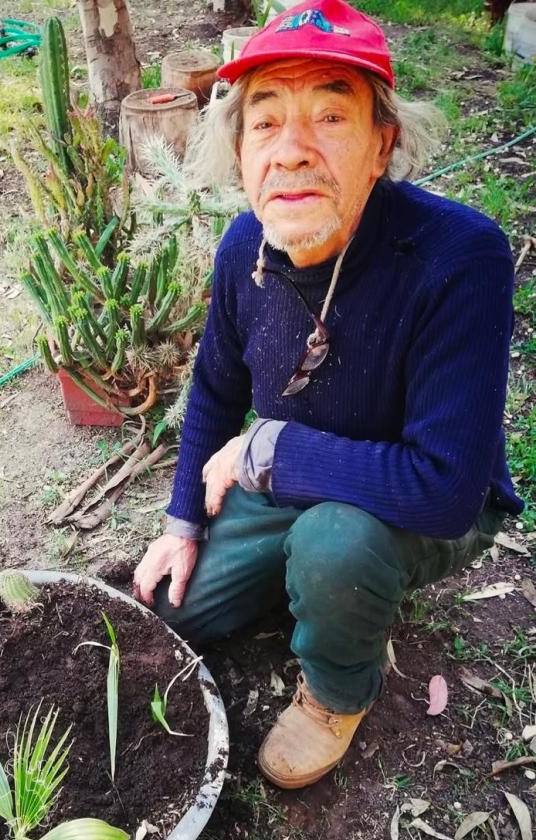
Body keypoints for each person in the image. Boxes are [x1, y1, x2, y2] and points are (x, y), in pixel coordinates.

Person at [132, 0, 523, 790]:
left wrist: (268, 448)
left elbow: (447, 491)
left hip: (421, 494)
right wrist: (180, 520)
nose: (292, 151)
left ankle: (338, 692)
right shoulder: (248, 244)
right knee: (166, 621)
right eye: (266, 122)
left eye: (330, 116)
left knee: (336, 546)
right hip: (296, 473)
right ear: (239, 151)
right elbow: (215, 386)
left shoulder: (459, 258)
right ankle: (321, 586)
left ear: (382, 145)